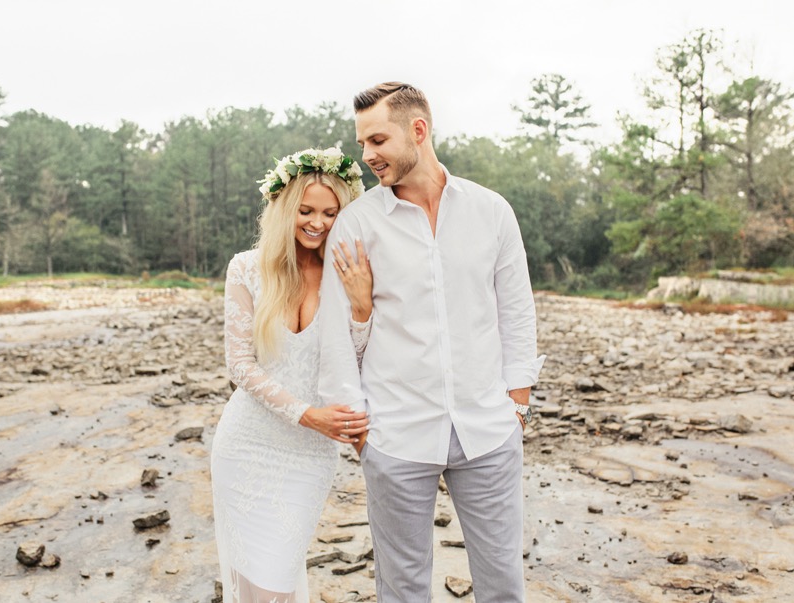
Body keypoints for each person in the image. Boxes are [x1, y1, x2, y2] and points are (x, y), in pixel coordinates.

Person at [319, 83, 546, 602]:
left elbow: (516, 312)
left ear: (418, 131)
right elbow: (336, 331)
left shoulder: (492, 212)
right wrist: (360, 432)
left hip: (488, 430)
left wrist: (518, 404)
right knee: (401, 590)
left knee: (504, 586)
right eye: (361, 144)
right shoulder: (357, 223)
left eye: (377, 140)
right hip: (395, 433)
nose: (367, 155)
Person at [211, 147, 373, 603]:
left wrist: (362, 306)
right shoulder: (246, 268)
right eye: (305, 210)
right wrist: (307, 414)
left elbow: (359, 362)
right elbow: (239, 364)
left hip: (308, 457)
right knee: (256, 589)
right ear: (284, 209)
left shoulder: (347, 274)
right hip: (246, 445)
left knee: (278, 575)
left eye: (329, 212)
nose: (316, 222)